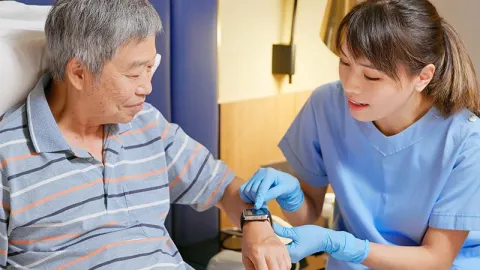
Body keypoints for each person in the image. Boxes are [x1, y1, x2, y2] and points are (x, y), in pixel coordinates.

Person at [0, 1, 290, 269]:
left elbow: (224, 186)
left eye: (151, 67)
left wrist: (257, 223)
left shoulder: (146, 123)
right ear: (78, 72)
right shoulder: (7, 157)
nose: (147, 88)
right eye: (134, 74)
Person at [240, 0, 480, 269]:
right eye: (345, 62)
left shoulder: (466, 140)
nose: (350, 86)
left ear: (423, 77)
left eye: (371, 76)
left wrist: (340, 244)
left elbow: (436, 259)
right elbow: (308, 218)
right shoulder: (326, 105)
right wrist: (292, 195)